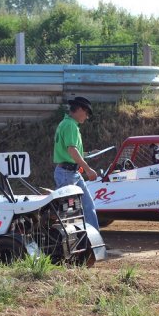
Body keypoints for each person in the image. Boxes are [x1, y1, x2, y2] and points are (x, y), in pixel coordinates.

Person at [53, 96, 100, 230]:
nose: (86, 117)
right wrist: (88, 169)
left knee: (87, 206)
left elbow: (70, 152)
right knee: (67, 211)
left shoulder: (66, 124)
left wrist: (87, 154)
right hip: (67, 174)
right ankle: (62, 241)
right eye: (86, 113)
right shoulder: (70, 125)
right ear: (79, 109)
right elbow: (72, 150)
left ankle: (94, 239)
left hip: (69, 172)